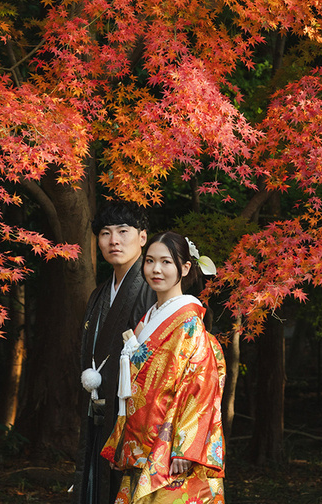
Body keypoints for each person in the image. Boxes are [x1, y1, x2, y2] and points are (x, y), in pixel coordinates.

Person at [102, 232, 224, 504]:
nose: (156, 269)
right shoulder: (150, 317)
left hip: (172, 446)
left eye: (166, 262)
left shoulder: (189, 321)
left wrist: (186, 445)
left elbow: (201, 384)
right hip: (142, 436)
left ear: (185, 268)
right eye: (149, 261)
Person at [76, 202, 157, 504]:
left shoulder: (150, 288)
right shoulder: (99, 293)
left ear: (143, 237)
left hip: (135, 417)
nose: (114, 241)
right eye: (106, 233)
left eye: (124, 231)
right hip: (99, 410)